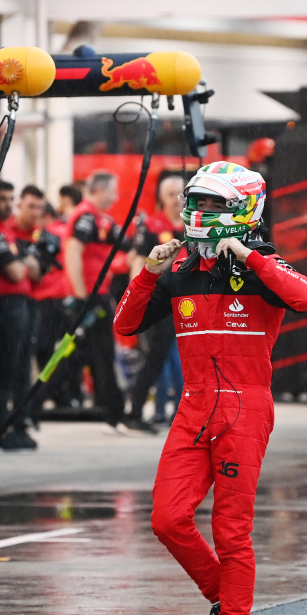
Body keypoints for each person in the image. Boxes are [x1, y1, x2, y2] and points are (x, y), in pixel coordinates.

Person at [113, 162, 307, 615]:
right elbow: (125, 326)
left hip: (245, 409)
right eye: (195, 202)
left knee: (232, 533)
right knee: (166, 519)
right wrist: (149, 272)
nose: (198, 213)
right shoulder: (180, 269)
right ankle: (225, 599)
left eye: (211, 204)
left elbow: (304, 296)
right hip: (194, 405)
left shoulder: (262, 264)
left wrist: (248, 255)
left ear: (244, 209)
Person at [123, 174, 187, 434]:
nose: (176, 200)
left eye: (180, 194)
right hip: (161, 301)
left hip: (190, 301)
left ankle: (182, 415)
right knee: (155, 358)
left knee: (189, 359)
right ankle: (135, 411)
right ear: (161, 197)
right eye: (170, 194)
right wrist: (137, 298)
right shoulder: (150, 225)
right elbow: (138, 262)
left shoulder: (192, 226)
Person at [65, 171, 126, 429]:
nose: (116, 196)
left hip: (97, 294)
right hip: (91, 297)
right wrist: (82, 296)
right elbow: (72, 252)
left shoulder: (99, 219)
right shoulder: (86, 216)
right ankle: (115, 413)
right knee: (99, 353)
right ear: (100, 189)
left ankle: (111, 409)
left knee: (95, 354)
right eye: (113, 190)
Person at [0, 185, 45, 450]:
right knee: (7, 369)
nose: (8, 204)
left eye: (10, 199)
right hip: (5, 305)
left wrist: (23, 264)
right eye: (4, 199)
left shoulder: (11, 232)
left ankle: (19, 423)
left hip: (24, 303)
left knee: (22, 368)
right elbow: (15, 272)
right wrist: (24, 264)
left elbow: (34, 272)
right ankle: (1, 427)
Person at [32, 189, 81, 417]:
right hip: (60, 299)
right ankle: (62, 394)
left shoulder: (51, 233)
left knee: (45, 350)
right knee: (60, 349)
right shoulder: (63, 232)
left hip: (49, 300)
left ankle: (50, 394)